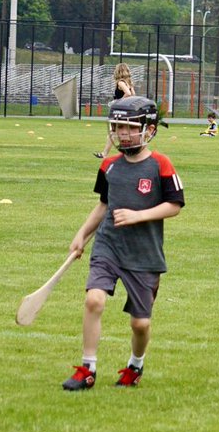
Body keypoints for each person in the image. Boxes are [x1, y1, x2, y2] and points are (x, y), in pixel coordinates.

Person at [63, 96, 185, 391]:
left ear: (149, 129)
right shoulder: (109, 166)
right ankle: (88, 368)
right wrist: (82, 234)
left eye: (130, 128)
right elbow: (103, 205)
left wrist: (138, 215)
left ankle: (136, 364)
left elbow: (175, 205)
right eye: (118, 127)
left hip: (144, 255)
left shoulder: (161, 165)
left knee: (140, 324)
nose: (123, 134)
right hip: (108, 246)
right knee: (94, 300)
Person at [95, 63, 134, 158]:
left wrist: (117, 102)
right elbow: (133, 94)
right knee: (118, 132)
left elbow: (128, 94)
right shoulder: (129, 83)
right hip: (126, 110)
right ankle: (128, 152)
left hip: (119, 110)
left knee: (112, 133)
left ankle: (105, 154)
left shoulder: (120, 82)